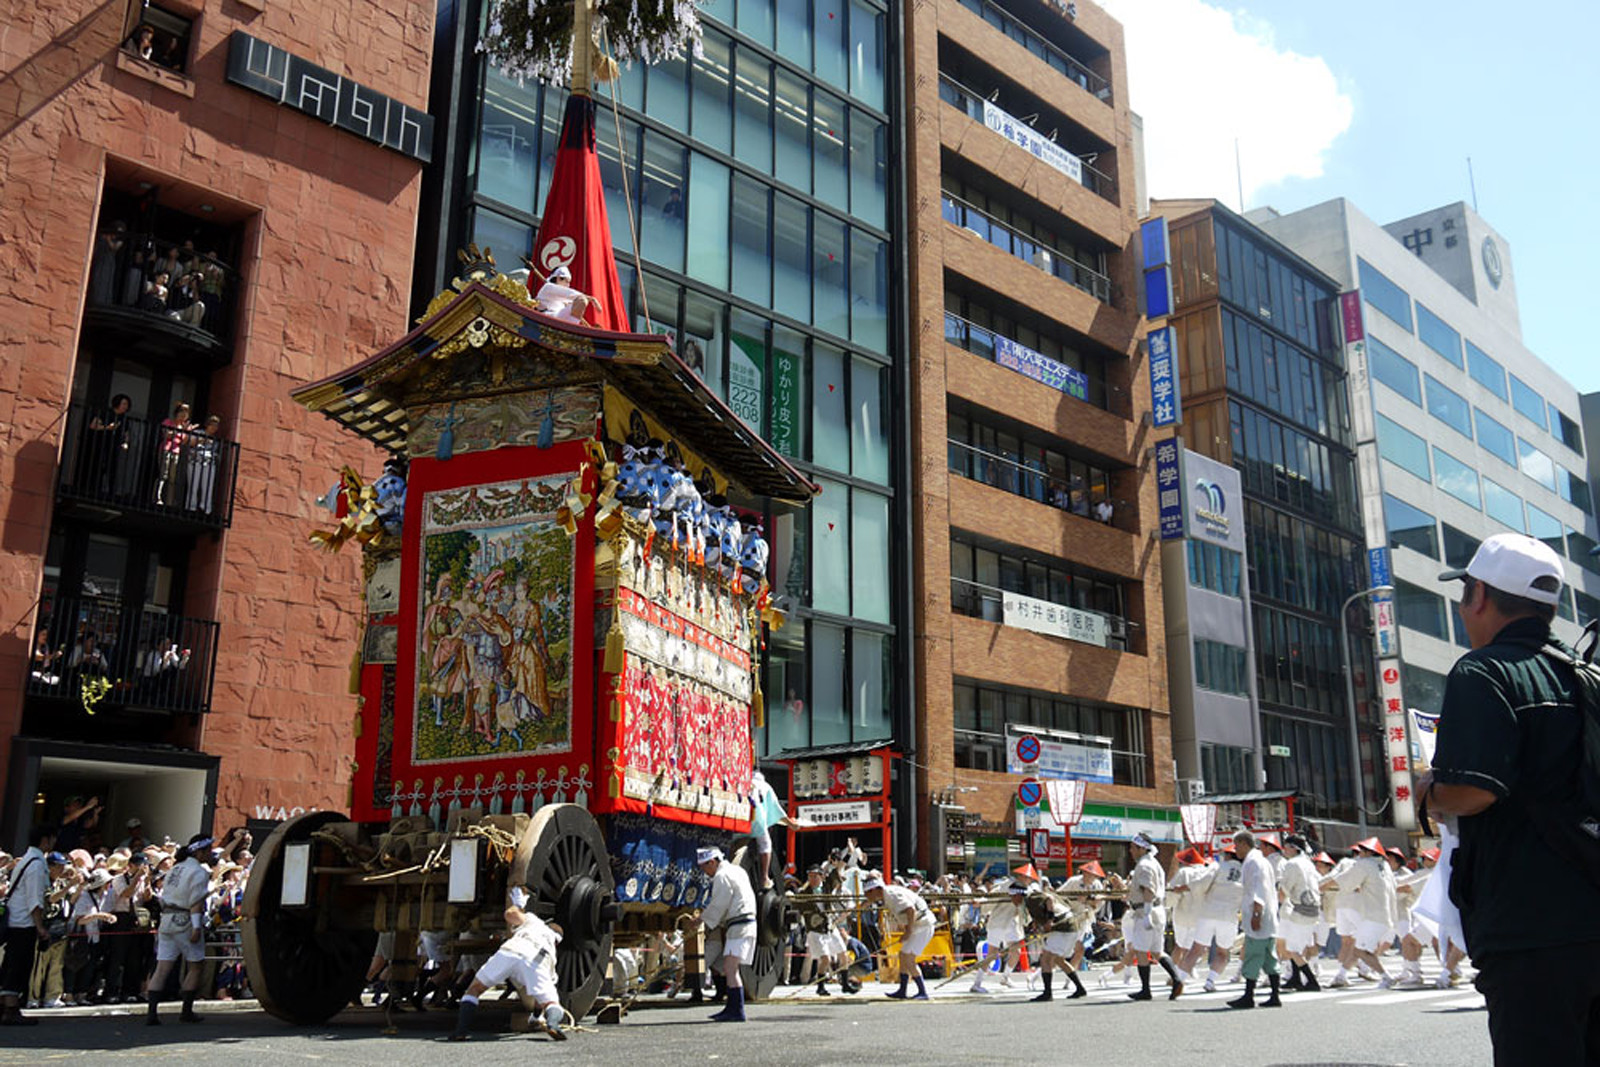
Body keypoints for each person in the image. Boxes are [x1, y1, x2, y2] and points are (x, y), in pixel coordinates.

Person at [1423, 532, 1600, 1065]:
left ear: (1478, 595)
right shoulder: (1588, 675)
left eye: (1464, 593)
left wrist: (1426, 792)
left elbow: (1474, 788)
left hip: (1530, 927)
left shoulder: (1485, 670)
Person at [448, 886, 566, 1041]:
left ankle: (461, 1031)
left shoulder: (534, 921)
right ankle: (553, 1024)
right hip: (537, 960)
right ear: (557, 942)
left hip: (511, 950)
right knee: (552, 1003)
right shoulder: (551, 953)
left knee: (474, 989)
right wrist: (537, 1016)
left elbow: (510, 915)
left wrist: (518, 904)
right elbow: (540, 999)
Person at [145, 833, 213, 1024]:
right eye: (207, 850)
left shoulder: (175, 869)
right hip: (185, 919)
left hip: (166, 919)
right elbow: (196, 902)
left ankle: (152, 1013)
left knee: (162, 967)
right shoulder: (199, 872)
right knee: (195, 965)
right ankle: (186, 1011)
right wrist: (197, 927)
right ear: (199, 852)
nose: (209, 854)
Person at [1, 823, 56, 1026]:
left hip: (16, 920)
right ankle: (11, 1008)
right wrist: (40, 927)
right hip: (23, 923)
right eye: (51, 838)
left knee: (10, 965)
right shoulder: (35, 864)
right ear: (45, 840)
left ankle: (5, 1006)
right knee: (18, 966)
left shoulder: (26, 860)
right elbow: (35, 900)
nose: (53, 842)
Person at [694, 846, 756, 1022]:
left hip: (740, 923)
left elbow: (719, 904)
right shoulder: (738, 871)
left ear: (712, 862)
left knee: (730, 968)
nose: (705, 872)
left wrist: (700, 921)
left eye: (705, 867)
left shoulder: (722, 876)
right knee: (730, 968)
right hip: (743, 921)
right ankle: (732, 1007)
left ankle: (736, 1010)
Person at [1124, 833, 1184, 1001]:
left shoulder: (1144, 865)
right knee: (1158, 951)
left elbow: (1148, 890)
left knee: (1142, 950)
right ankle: (1177, 979)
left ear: (1142, 848)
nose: (1130, 851)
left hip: (1146, 910)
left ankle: (1145, 989)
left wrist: (1147, 914)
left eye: (1133, 847)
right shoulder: (1154, 862)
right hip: (1158, 909)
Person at [1227, 830, 1282, 1009]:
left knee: (1253, 955)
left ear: (1244, 843)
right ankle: (1274, 995)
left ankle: (1248, 995)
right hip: (1268, 916)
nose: (1236, 850)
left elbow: (1258, 889)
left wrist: (1256, 914)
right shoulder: (1261, 861)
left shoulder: (1253, 862)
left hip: (1259, 914)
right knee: (1269, 957)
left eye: (1237, 846)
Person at [1333, 838, 1396, 988]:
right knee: (1358, 949)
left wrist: (1320, 887)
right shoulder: (1384, 866)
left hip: (1372, 916)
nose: (1359, 854)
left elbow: (1344, 882)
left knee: (1361, 951)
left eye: (1361, 851)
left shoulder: (1365, 865)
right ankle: (1341, 976)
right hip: (1384, 915)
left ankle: (1386, 976)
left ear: (1369, 852)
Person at [863, 873, 933, 1001]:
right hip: (918, 925)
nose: (867, 897)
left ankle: (923, 991)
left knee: (909, 958)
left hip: (923, 925)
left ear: (874, 890)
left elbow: (910, 909)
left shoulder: (891, 895)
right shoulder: (886, 894)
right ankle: (903, 989)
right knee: (903, 954)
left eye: (868, 893)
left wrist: (908, 931)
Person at [1192, 840, 1243, 993]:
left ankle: (1179, 978)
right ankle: (1210, 980)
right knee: (1223, 952)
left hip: (1209, 911)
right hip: (1229, 915)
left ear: (1228, 855)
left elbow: (1202, 885)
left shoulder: (1218, 866)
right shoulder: (1245, 870)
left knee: (1196, 948)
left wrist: (1200, 896)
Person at [1023, 884, 1087, 1001]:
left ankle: (1047, 993)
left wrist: (1049, 920)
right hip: (1070, 927)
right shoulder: (1030, 901)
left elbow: (1049, 900)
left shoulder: (1031, 898)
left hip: (1063, 927)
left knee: (1045, 959)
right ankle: (1080, 988)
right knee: (1058, 960)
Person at [1275, 834, 1321, 992]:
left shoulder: (1292, 864)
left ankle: (1312, 980)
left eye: (1286, 846)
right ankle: (1295, 979)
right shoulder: (1309, 863)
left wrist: (1279, 900)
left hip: (1299, 908)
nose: (1284, 850)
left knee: (1292, 949)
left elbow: (1284, 889)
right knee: (1295, 945)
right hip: (1313, 907)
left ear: (1294, 848)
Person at [969, 881, 1026, 993]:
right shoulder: (1004, 886)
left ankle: (1006, 977)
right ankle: (977, 983)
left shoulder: (1025, 889)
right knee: (992, 954)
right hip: (998, 922)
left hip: (1012, 923)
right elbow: (991, 898)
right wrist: (980, 903)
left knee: (1016, 952)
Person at [535, 266, 603, 326]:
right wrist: (592, 299)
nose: (568, 285)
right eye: (567, 281)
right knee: (582, 300)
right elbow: (573, 294)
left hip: (558, 318)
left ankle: (573, 327)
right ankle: (572, 329)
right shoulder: (548, 287)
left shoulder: (561, 297)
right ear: (559, 278)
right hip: (547, 318)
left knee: (578, 303)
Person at [155, 403, 194, 506]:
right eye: (181, 413)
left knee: (172, 478)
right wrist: (179, 430)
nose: (183, 416)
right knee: (163, 474)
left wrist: (187, 431)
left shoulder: (183, 427)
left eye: (185, 414)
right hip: (166, 449)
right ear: (177, 413)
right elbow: (166, 434)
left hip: (176, 452)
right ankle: (157, 497)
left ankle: (169, 501)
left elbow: (183, 442)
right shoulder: (168, 422)